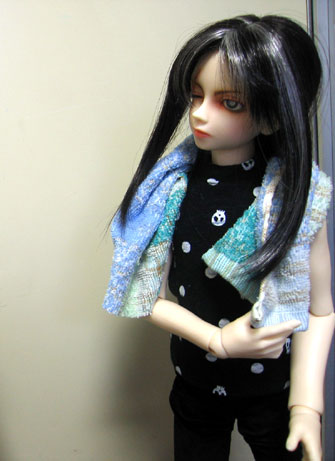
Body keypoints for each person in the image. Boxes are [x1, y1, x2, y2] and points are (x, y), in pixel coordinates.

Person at [103, 15, 334, 461]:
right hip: (195, 381)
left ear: (272, 115)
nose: (200, 113)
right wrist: (217, 341)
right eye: (196, 95)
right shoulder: (171, 190)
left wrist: (307, 406)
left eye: (229, 102)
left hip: (275, 390)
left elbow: (318, 310)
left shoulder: (298, 200)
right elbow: (146, 296)